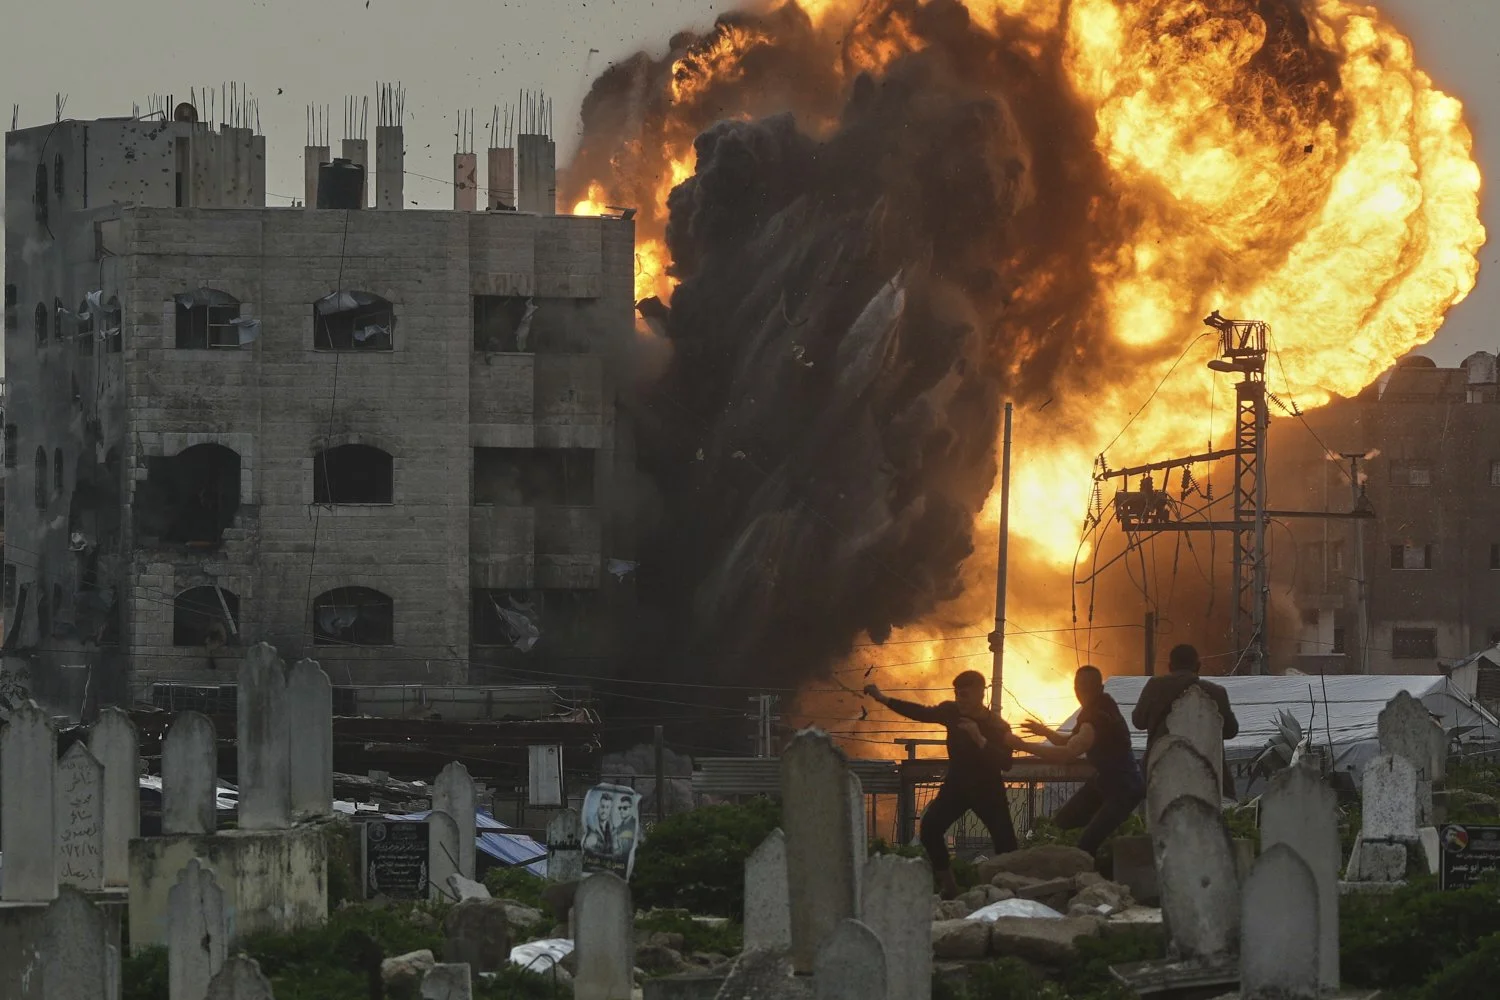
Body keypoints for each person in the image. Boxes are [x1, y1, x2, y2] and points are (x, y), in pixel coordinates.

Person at [864, 670, 1028, 898]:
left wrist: (979, 738)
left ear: (981, 694)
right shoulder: (951, 712)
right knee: (930, 827)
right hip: (957, 786)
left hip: (988, 790)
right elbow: (921, 713)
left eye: (965, 695)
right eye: (957, 694)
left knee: (1006, 844)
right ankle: (950, 888)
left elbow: (1006, 763)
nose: (960, 699)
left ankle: (1009, 893)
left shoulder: (998, 726)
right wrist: (883, 699)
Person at [1017, 665, 1145, 857]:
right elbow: (1070, 741)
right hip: (1106, 782)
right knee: (1063, 822)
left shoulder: (1094, 718)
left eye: (1083, 687)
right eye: (1079, 687)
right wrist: (1044, 731)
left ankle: (1093, 875)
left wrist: (1024, 746)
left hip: (1123, 789)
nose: (1080, 692)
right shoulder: (1101, 705)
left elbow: (1067, 753)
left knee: (1087, 844)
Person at [1133, 643, 1239, 796]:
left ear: (1170, 666)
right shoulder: (1216, 692)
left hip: (1160, 770)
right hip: (1207, 772)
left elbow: (1138, 721)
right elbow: (1231, 731)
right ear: (1198, 666)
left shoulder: (1154, 687)